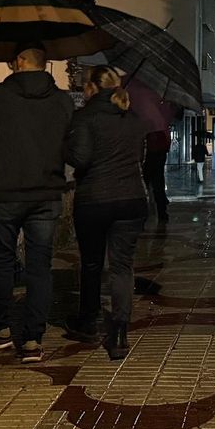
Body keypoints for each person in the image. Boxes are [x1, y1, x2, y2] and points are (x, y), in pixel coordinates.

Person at [0, 44, 74, 364]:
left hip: (5, 193)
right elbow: (71, 148)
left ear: (21, 61)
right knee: (40, 266)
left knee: (1, 261)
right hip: (45, 194)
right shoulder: (62, 101)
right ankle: (32, 340)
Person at [64, 66, 151, 359]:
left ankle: (88, 321)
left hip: (95, 200)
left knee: (91, 263)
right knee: (122, 266)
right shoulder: (134, 119)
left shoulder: (85, 117)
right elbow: (140, 157)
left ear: (91, 87)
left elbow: (80, 158)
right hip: (132, 199)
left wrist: (65, 146)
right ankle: (120, 332)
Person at [143, 125, 172, 224]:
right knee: (159, 187)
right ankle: (162, 213)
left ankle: (144, 213)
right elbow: (167, 146)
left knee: (145, 187)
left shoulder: (147, 133)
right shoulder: (162, 132)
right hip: (159, 161)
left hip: (149, 161)